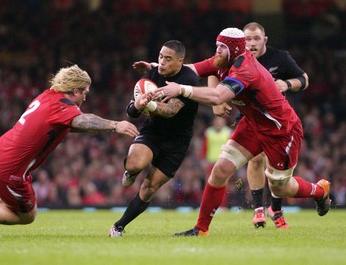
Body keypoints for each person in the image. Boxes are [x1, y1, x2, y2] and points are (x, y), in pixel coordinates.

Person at [155, 27, 331, 236]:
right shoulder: (223, 59)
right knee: (220, 170)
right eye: (217, 46)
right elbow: (191, 69)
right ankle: (201, 229)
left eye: (222, 47)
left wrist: (181, 89)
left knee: (281, 188)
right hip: (252, 124)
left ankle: (320, 191)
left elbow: (218, 97)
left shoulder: (245, 68)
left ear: (234, 49)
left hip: (281, 131)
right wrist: (154, 68)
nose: (217, 51)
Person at [0, 64, 139, 237]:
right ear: (75, 90)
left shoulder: (48, 96)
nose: (86, 97)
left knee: (10, 201)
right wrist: (115, 125)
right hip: (9, 169)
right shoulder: (62, 107)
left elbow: (72, 125)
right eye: (84, 92)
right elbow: (81, 120)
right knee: (27, 215)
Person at [108, 40, 199, 237]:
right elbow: (131, 112)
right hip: (153, 132)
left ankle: (118, 226)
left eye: (168, 59)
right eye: (160, 57)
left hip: (177, 142)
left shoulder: (189, 80)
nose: (162, 62)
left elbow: (170, 111)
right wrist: (138, 105)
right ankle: (130, 172)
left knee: (149, 187)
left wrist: (149, 106)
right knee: (134, 165)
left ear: (180, 61)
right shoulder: (153, 74)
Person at [241, 22, 309, 229]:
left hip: (278, 120)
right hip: (250, 117)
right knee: (255, 159)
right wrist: (219, 103)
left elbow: (304, 79)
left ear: (265, 40)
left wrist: (286, 84)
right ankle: (258, 209)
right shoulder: (238, 61)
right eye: (248, 39)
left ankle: (276, 209)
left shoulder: (280, 57)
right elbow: (213, 70)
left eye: (256, 38)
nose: (252, 43)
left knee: (276, 167)